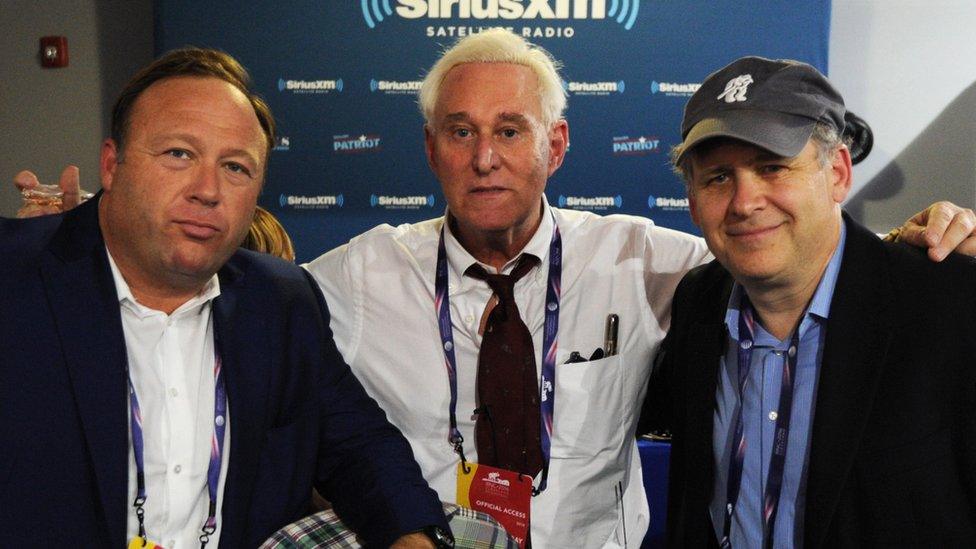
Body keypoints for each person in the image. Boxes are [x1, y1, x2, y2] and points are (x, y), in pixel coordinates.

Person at [13, 31, 976, 548]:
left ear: (556, 144)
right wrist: (84, 237)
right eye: (460, 133)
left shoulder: (660, 265)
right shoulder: (336, 283)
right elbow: (219, 288)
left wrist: (909, 242)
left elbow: (782, 260)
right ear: (428, 148)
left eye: (511, 131)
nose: (485, 159)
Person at [0, 48, 449, 548]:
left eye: (236, 167)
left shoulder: (281, 302)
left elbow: (358, 447)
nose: (208, 190)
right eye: (179, 154)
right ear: (111, 164)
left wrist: (412, 537)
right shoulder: (17, 281)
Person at [645, 56, 976, 547]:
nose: (744, 201)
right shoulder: (696, 301)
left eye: (773, 167)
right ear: (692, 200)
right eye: (717, 177)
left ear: (838, 172)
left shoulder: (951, 302)